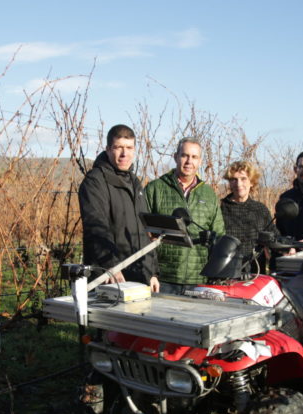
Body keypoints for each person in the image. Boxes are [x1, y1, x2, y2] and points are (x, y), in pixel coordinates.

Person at [78, 124, 159, 292]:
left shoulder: (135, 182)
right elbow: (96, 228)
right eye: (118, 147)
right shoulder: (95, 182)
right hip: (110, 278)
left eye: (129, 148)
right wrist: (111, 267)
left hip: (139, 275)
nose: (124, 154)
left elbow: (144, 232)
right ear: (108, 149)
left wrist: (152, 272)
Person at [145, 137, 225, 294]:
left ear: (200, 161)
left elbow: (219, 234)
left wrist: (214, 273)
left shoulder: (209, 194)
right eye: (184, 155)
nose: (189, 161)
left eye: (194, 157)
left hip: (198, 279)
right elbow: (142, 234)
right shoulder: (155, 189)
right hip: (163, 279)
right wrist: (150, 272)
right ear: (176, 157)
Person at [220, 160, 274, 276]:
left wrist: (288, 248)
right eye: (234, 179)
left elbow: (274, 236)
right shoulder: (220, 208)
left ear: (252, 182)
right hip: (225, 273)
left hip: (255, 273)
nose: (238, 184)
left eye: (243, 179)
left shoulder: (260, 210)